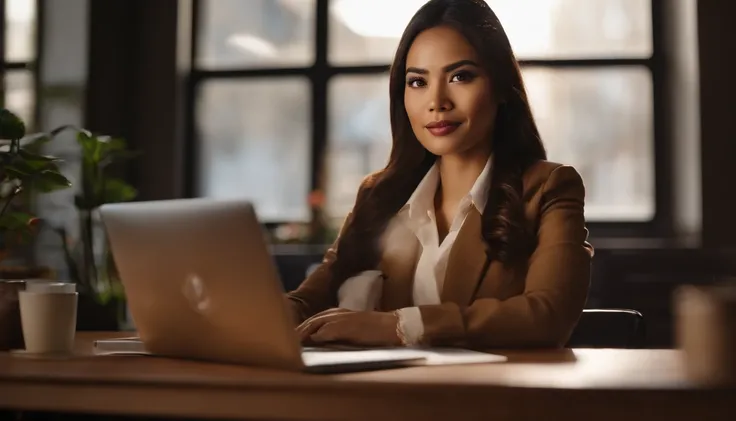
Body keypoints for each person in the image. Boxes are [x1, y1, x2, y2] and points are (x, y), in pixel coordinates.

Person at [287, 0, 594, 349]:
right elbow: (307, 301)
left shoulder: (548, 189)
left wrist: (399, 326)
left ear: (501, 88)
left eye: (460, 76)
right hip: (374, 397)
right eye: (417, 81)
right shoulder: (379, 196)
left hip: (489, 398)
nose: (437, 101)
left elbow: (548, 316)